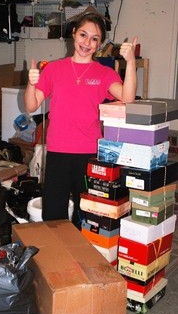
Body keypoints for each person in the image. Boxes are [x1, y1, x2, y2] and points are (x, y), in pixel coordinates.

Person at [24, 12, 137, 230]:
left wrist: (130, 63)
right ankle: (58, 260)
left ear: (99, 44)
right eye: (83, 35)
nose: (87, 42)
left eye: (94, 39)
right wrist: (31, 83)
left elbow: (127, 97)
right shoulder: (54, 69)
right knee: (53, 215)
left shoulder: (103, 73)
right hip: (57, 152)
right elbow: (31, 105)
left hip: (89, 154)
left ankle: (84, 258)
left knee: (89, 215)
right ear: (74, 33)